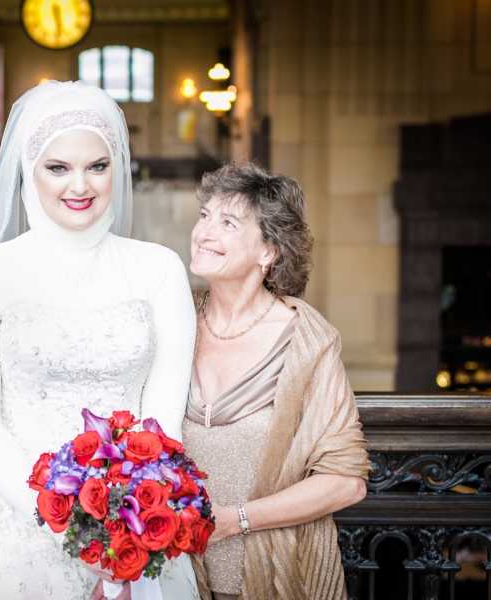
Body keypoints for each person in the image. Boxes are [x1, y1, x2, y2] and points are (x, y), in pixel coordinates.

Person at [0, 81, 199, 600]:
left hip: (130, 526)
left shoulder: (159, 269)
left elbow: (161, 422)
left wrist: (121, 543)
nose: (80, 185)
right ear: (28, 169)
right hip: (12, 524)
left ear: (118, 170)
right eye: (58, 168)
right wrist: (79, 535)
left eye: (97, 166)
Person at [182, 163, 369, 600]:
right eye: (205, 216)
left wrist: (237, 519)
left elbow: (346, 480)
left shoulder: (309, 340)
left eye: (228, 223)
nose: (205, 232)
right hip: (179, 575)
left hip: (279, 573)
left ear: (269, 251)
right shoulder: (176, 317)